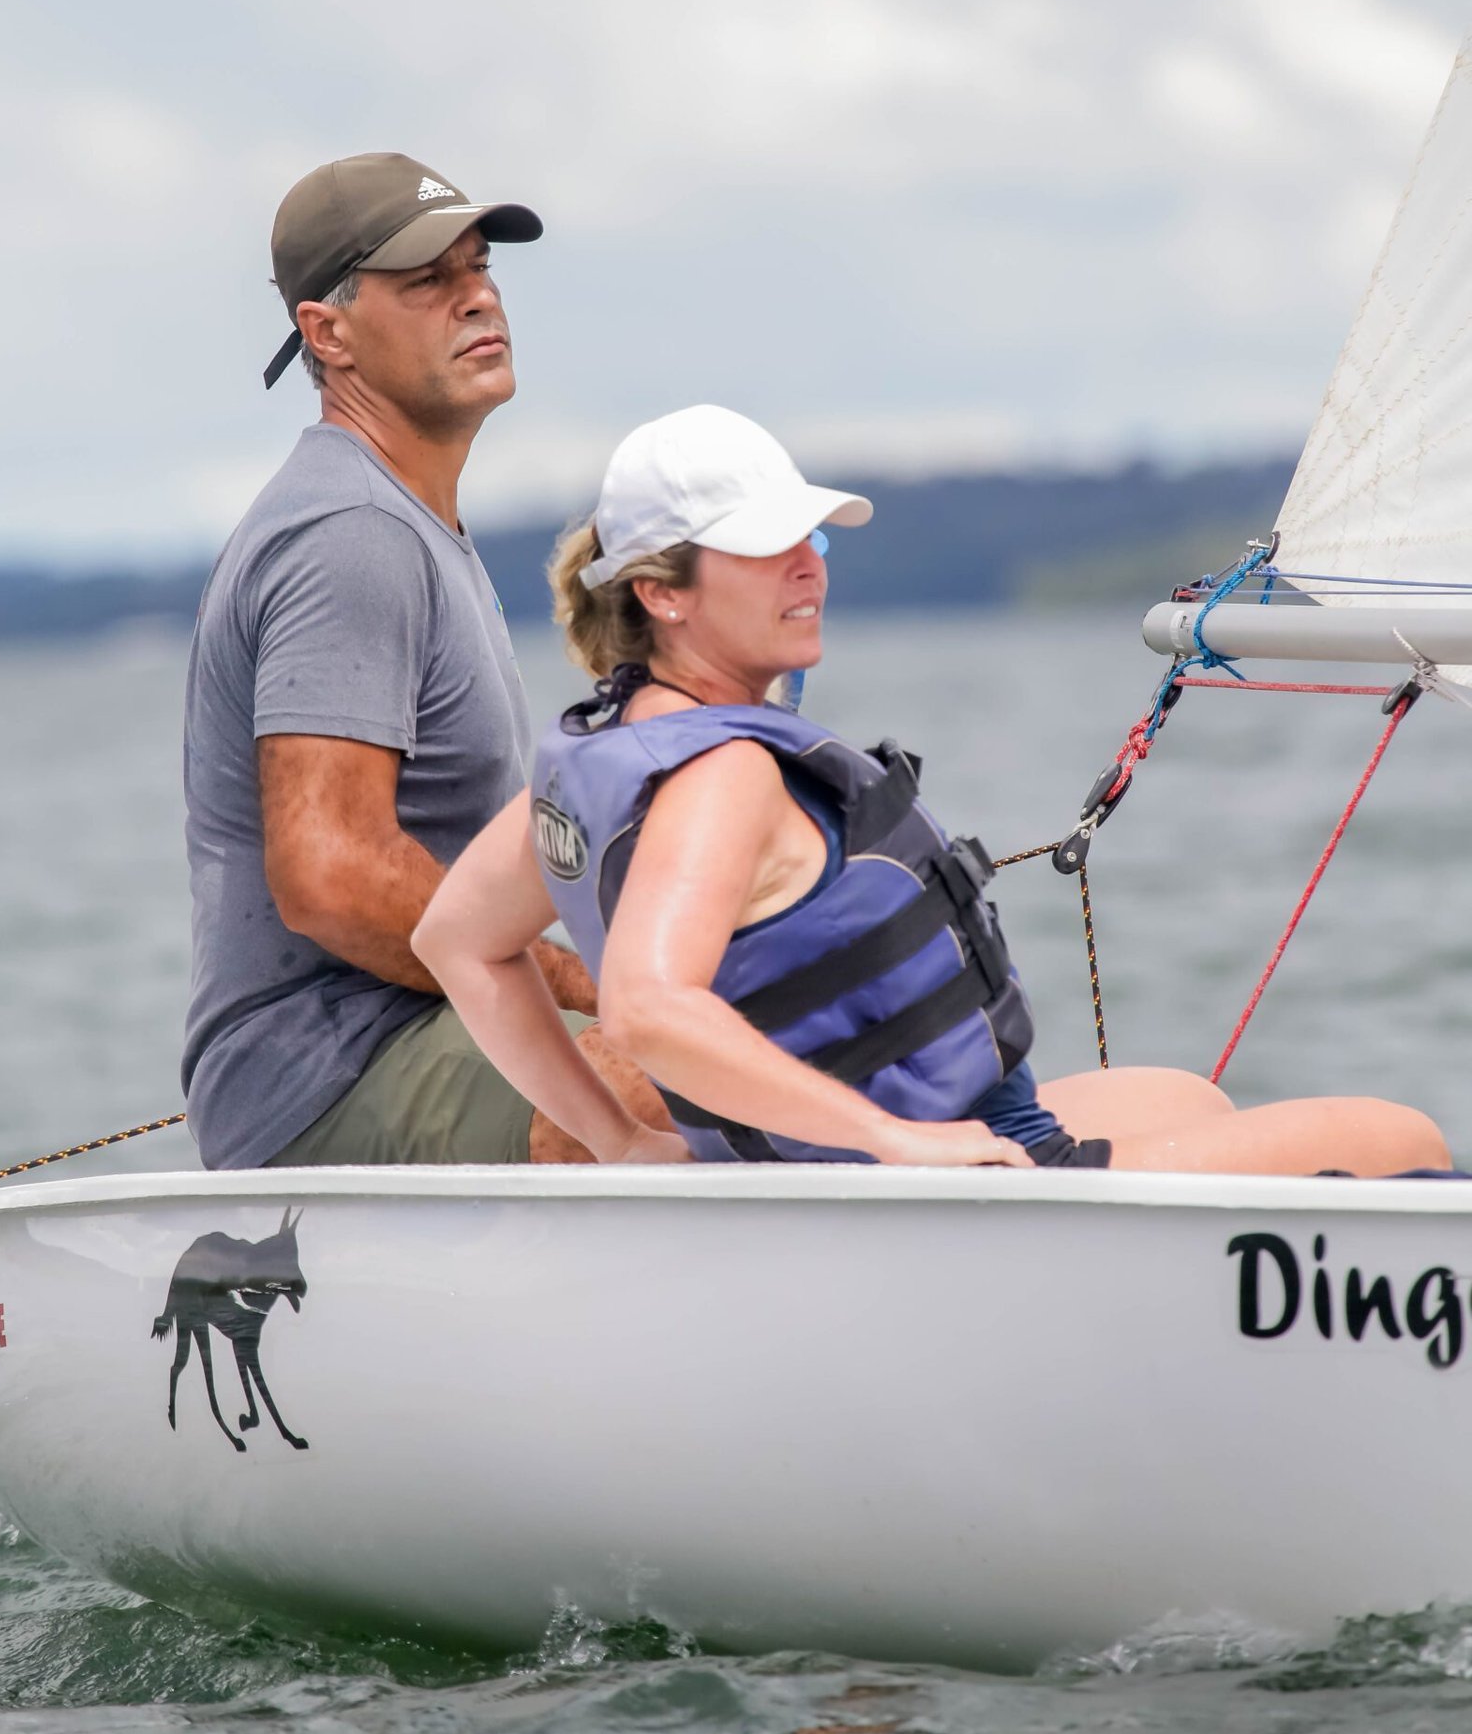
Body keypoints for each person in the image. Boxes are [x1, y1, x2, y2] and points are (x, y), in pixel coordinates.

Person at [413, 404, 1452, 1176]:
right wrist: (890, 1140)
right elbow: (645, 1009)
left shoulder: (610, 747)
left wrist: (622, 1142)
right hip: (922, 1172)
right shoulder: (722, 774)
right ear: (659, 593)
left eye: (811, 537)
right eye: (766, 547)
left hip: (872, 1152)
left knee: (1185, 1097)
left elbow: (456, 938)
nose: (808, 567)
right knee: (1403, 1142)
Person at [182, 151, 678, 1171]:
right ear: (328, 333)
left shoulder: (404, 520)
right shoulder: (351, 534)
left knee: (760, 1038)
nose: (478, 296)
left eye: (479, 265)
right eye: (426, 280)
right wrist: (581, 985)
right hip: (329, 1070)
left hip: (414, 1032)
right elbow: (331, 877)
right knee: (683, 1080)